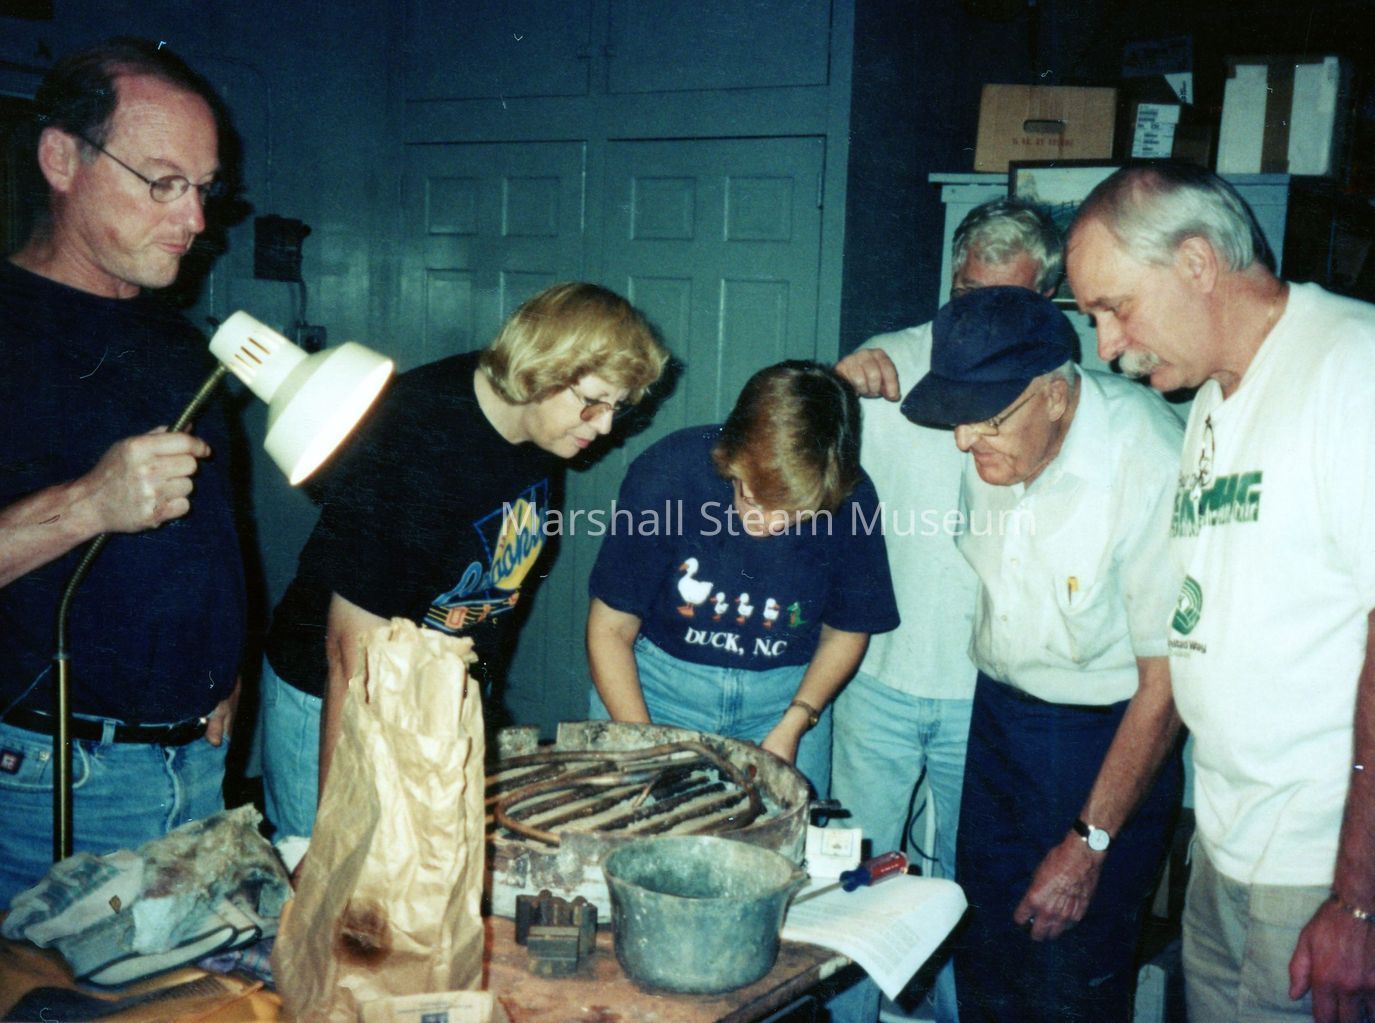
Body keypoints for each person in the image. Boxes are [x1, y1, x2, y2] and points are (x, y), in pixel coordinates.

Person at [1066, 161, 1375, 1023]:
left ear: (1196, 262)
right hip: (1245, 848)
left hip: (1353, 867)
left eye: (1114, 307)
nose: (1107, 345)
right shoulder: (1212, 402)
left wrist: (1363, 903)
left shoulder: (1366, 367)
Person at [260, 281, 669, 842]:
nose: (604, 426)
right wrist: (338, 826)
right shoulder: (411, 439)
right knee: (337, 872)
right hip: (338, 699)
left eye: (617, 408)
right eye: (594, 402)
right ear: (541, 368)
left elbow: (489, 597)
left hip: (433, 698)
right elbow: (349, 652)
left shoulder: (543, 431)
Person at [899, 286, 1186, 1022]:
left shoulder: (1148, 458)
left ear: (1056, 395)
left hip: (1104, 741)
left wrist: (1089, 843)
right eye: (957, 418)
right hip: (1000, 721)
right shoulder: (999, 440)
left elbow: (1168, 687)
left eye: (986, 419)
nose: (964, 441)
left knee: (1070, 979)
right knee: (986, 955)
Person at [0, 38, 244, 904]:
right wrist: (87, 504)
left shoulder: (178, 341)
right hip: (50, 784)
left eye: (204, 188)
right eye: (163, 182)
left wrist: (227, 672)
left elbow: (218, 534)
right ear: (62, 159)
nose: (196, 220)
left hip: (196, 763)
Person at [829, 197, 1062, 1023]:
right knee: (857, 873)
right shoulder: (887, 361)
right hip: (877, 678)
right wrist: (834, 387)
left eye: (1007, 297)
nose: (981, 314)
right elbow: (795, 448)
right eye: (968, 292)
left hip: (987, 691)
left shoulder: (1060, 384)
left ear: (1046, 295)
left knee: (970, 881)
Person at [586, 360, 899, 795]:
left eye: (794, 515)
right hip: (657, 691)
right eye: (752, 501)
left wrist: (795, 722)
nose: (767, 526)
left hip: (784, 702)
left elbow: (846, 630)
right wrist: (648, 747)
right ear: (730, 458)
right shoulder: (668, 473)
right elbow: (610, 629)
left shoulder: (852, 498)